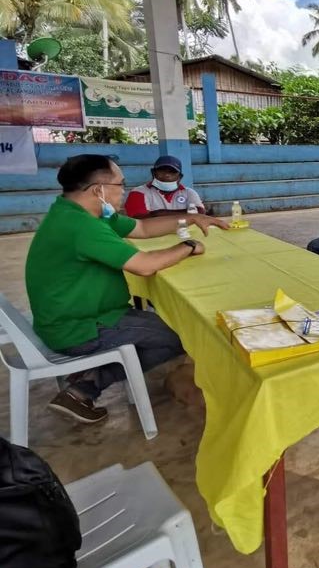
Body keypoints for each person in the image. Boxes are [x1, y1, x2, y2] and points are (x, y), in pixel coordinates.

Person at [24, 154, 229, 424]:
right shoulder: (81, 226)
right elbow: (144, 265)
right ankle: (86, 387)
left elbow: (142, 228)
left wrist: (189, 219)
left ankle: (85, 383)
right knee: (184, 334)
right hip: (79, 327)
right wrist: (188, 246)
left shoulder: (79, 212)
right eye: (121, 184)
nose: (125, 191)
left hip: (75, 315)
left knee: (167, 324)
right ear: (99, 190)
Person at [123, 155, 204, 218]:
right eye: (162, 170)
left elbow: (200, 212)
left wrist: (158, 214)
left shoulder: (189, 192)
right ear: (153, 173)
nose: (167, 175)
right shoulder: (138, 192)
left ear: (180, 177)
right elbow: (140, 218)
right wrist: (187, 213)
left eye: (172, 172)